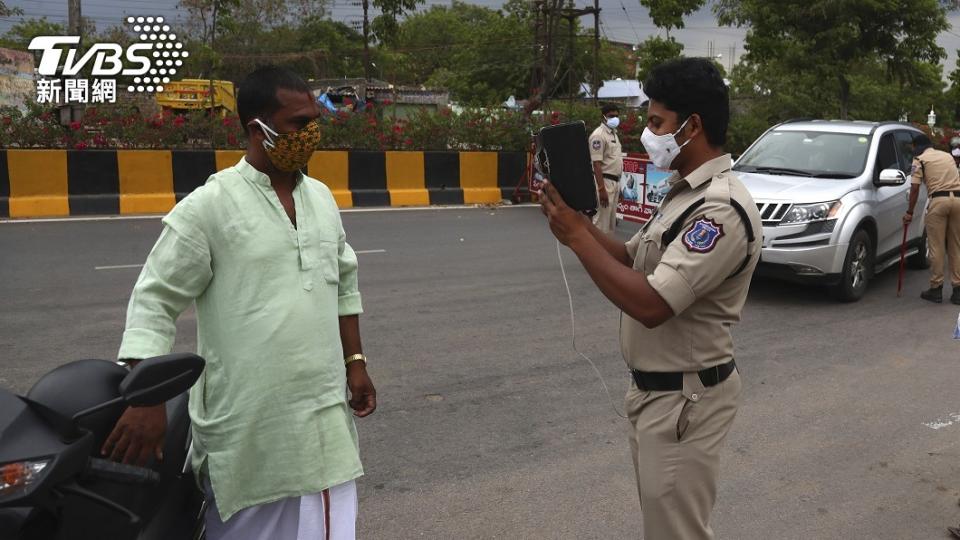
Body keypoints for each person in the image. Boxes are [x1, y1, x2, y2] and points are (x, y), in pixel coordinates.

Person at [102, 65, 377, 539]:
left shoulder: (322, 199)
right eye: (298, 123)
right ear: (258, 129)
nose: (311, 132)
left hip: (323, 423)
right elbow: (154, 297)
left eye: (315, 120)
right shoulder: (210, 207)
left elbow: (344, 284)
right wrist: (145, 397)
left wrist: (355, 362)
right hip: (249, 428)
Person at [539, 57, 761, 540]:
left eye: (657, 122)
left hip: (685, 400)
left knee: (676, 533)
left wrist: (579, 237)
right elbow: (627, 257)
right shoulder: (683, 195)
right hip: (657, 395)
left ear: (693, 125)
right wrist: (573, 223)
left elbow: (652, 305)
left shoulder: (719, 209)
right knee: (664, 528)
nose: (646, 131)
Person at [903, 133, 960, 305]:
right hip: (958, 200)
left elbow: (914, 189)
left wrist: (909, 213)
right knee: (955, 245)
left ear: (917, 147)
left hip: (938, 201)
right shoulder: (947, 156)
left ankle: (936, 288)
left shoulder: (919, 160)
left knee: (936, 247)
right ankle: (958, 291)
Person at [589, 103, 624, 234]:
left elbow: (615, 161)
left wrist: (619, 187)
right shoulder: (598, 135)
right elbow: (596, 164)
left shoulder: (614, 134)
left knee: (610, 224)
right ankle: (594, 252)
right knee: (600, 223)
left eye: (616, 116)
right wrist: (601, 188)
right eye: (611, 116)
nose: (614, 118)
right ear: (603, 117)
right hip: (604, 182)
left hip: (615, 182)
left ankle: (606, 252)